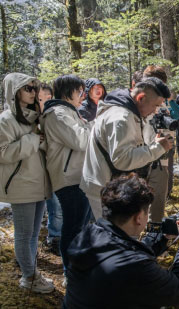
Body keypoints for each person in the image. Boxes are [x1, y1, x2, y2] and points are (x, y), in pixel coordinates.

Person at [65, 173, 179, 308]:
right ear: (139, 217)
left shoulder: (88, 235)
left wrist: (163, 239)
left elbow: (127, 251)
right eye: (147, 212)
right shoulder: (134, 266)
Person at [80, 77, 173, 220]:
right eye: (155, 105)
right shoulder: (121, 118)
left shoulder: (127, 111)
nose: (155, 111)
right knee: (112, 237)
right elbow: (122, 159)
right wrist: (157, 148)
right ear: (141, 98)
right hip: (104, 190)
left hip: (108, 186)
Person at [0, 73, 54, 293]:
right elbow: (3, 153)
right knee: (23, 234)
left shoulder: (34, 117)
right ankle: (29, 277)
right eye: (28, 88)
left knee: (32, 234)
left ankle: (30, 273)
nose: (33, 92)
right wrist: (32, 140)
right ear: (15, 91)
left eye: (35, 88)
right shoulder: (5, 119)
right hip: (21, 184)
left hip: (39, 183)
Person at [40, 74, 93, 281]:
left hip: (78, 176)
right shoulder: (57, 114)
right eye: (79, 91)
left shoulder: (70, 112)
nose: (83, 95)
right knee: (72, 227)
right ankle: (70, 273)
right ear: (67, 92)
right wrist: (93, 126)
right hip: (68, 178)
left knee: (80, 225)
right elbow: (81, 141)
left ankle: (77, 269)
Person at [141, 65, 179, 222]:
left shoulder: (164, 102)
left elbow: (177, 116)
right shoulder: (136, 101)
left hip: (161, 156)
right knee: (138, 199)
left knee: (158, 201)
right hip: (140, 157)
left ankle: (154, 231)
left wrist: (169, 101)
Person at [38, 83, 62, 255]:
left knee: (56, 205)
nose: (45, 101)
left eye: (48, 98)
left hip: (53, 168)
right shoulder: (32, 118)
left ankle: (55, 237)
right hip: (34, 172)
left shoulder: (53, 115)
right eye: (41, 98)